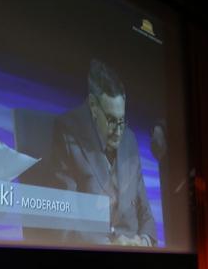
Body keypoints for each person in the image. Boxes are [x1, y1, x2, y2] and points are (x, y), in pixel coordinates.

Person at [50, 58, 156, 247]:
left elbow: (146, 215)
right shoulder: (67, 133)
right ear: (93, 106)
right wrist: (109, 246)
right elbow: (66, 220)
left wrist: (144, 242)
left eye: (122, 120)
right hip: (93, 254)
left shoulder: (129, 139)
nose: (118, 132)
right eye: (111, 120)